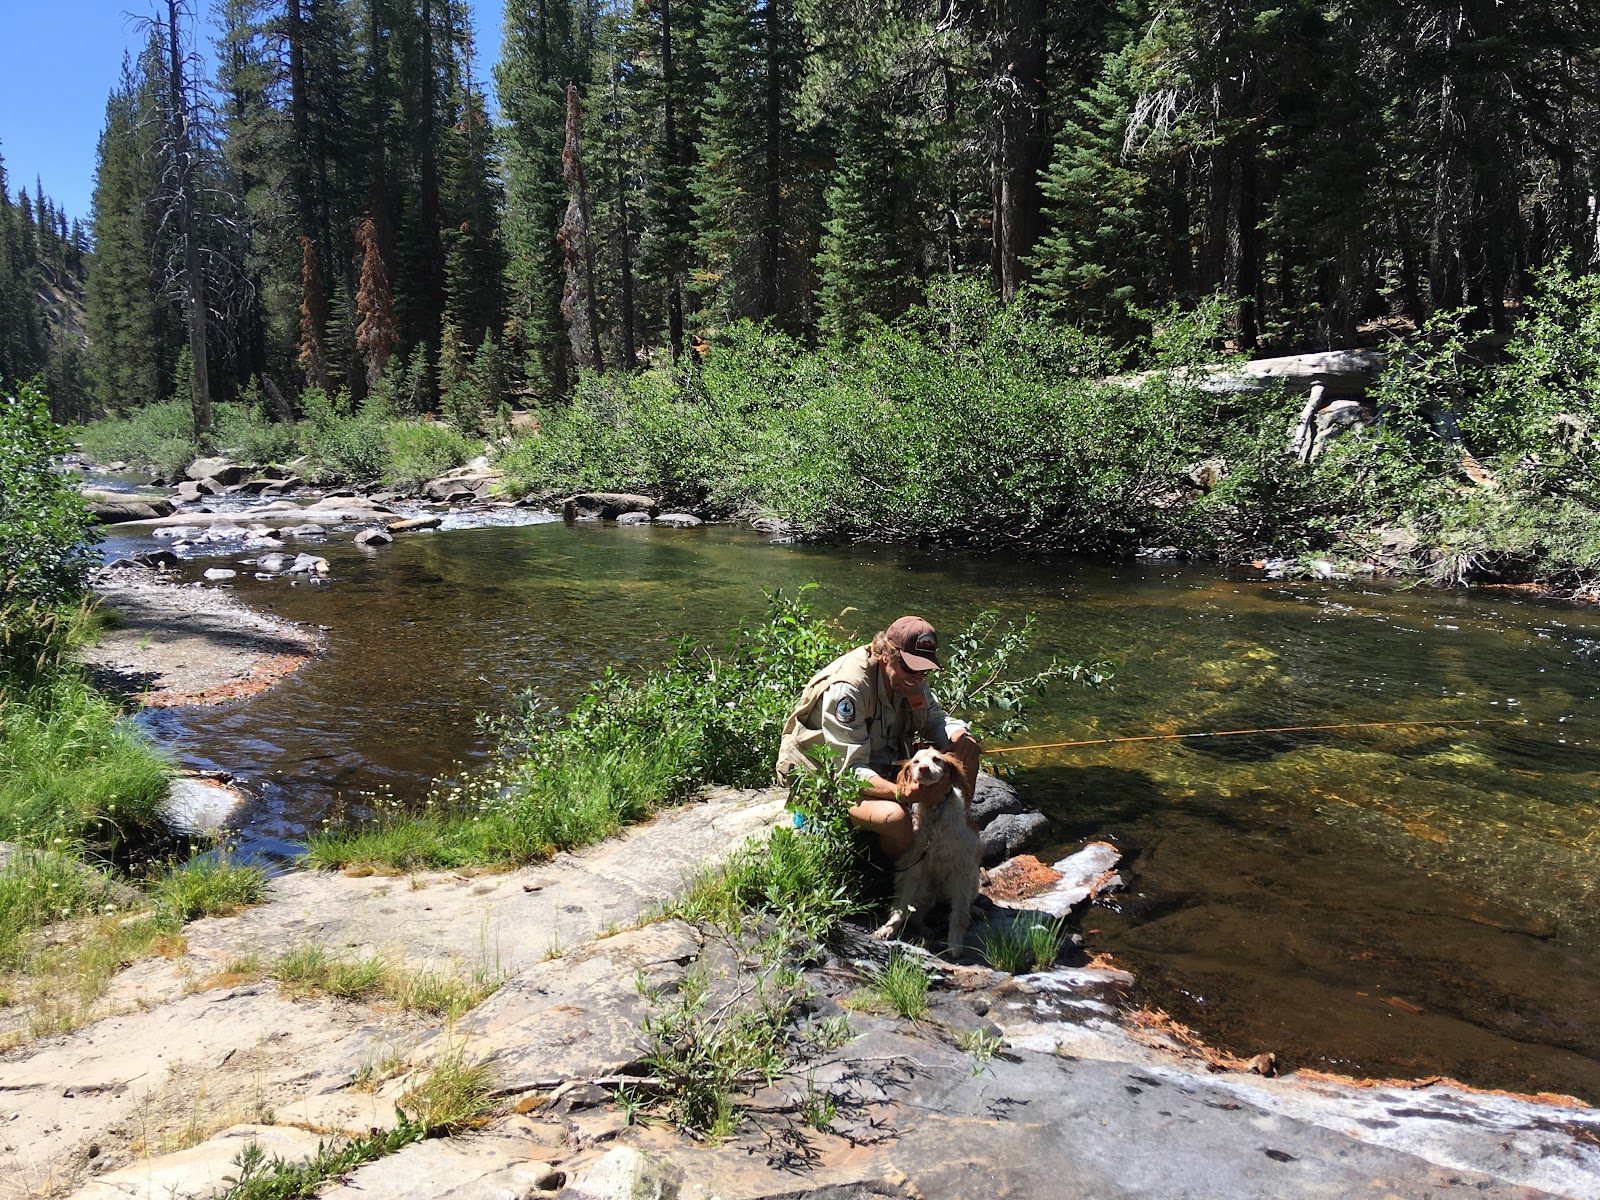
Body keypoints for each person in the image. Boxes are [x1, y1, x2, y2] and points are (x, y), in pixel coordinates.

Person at [776, 615, 982, 859]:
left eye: (925, 669)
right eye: (911, 667)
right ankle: (887, 875)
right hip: (831, 782)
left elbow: (935, 718)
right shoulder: (849, 690)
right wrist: (901, 793)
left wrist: (959, 734)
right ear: (885, 653)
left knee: (966, 751)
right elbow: (851, 772)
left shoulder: (911, 678)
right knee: (896, 818)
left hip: (877, 768)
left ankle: (955, 835)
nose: (918, 676)